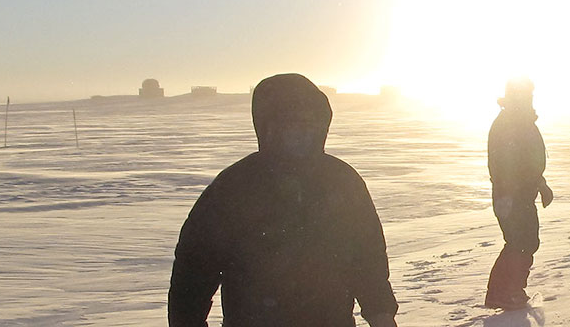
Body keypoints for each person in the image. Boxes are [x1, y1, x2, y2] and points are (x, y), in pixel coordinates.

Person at [169, 73, 398, 327]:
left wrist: (381, 314)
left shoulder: (342, 181)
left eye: (309, 123)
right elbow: (194, 269)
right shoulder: (235, 187)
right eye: (290, 123)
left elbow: (368, 258)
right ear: (267, 126)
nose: (300, 132)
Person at [482, 78, 553, 310]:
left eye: (530, 95)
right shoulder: (508, 123)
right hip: (510, 196)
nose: (530, 99)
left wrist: (540, 184)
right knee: (518, 241)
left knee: (527, 241)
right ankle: (501, 292)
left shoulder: (522, 122)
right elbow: (505, 164)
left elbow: (531, 160)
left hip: (521, 195)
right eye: (526, 95)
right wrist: (514, 193)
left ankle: (513, 289)